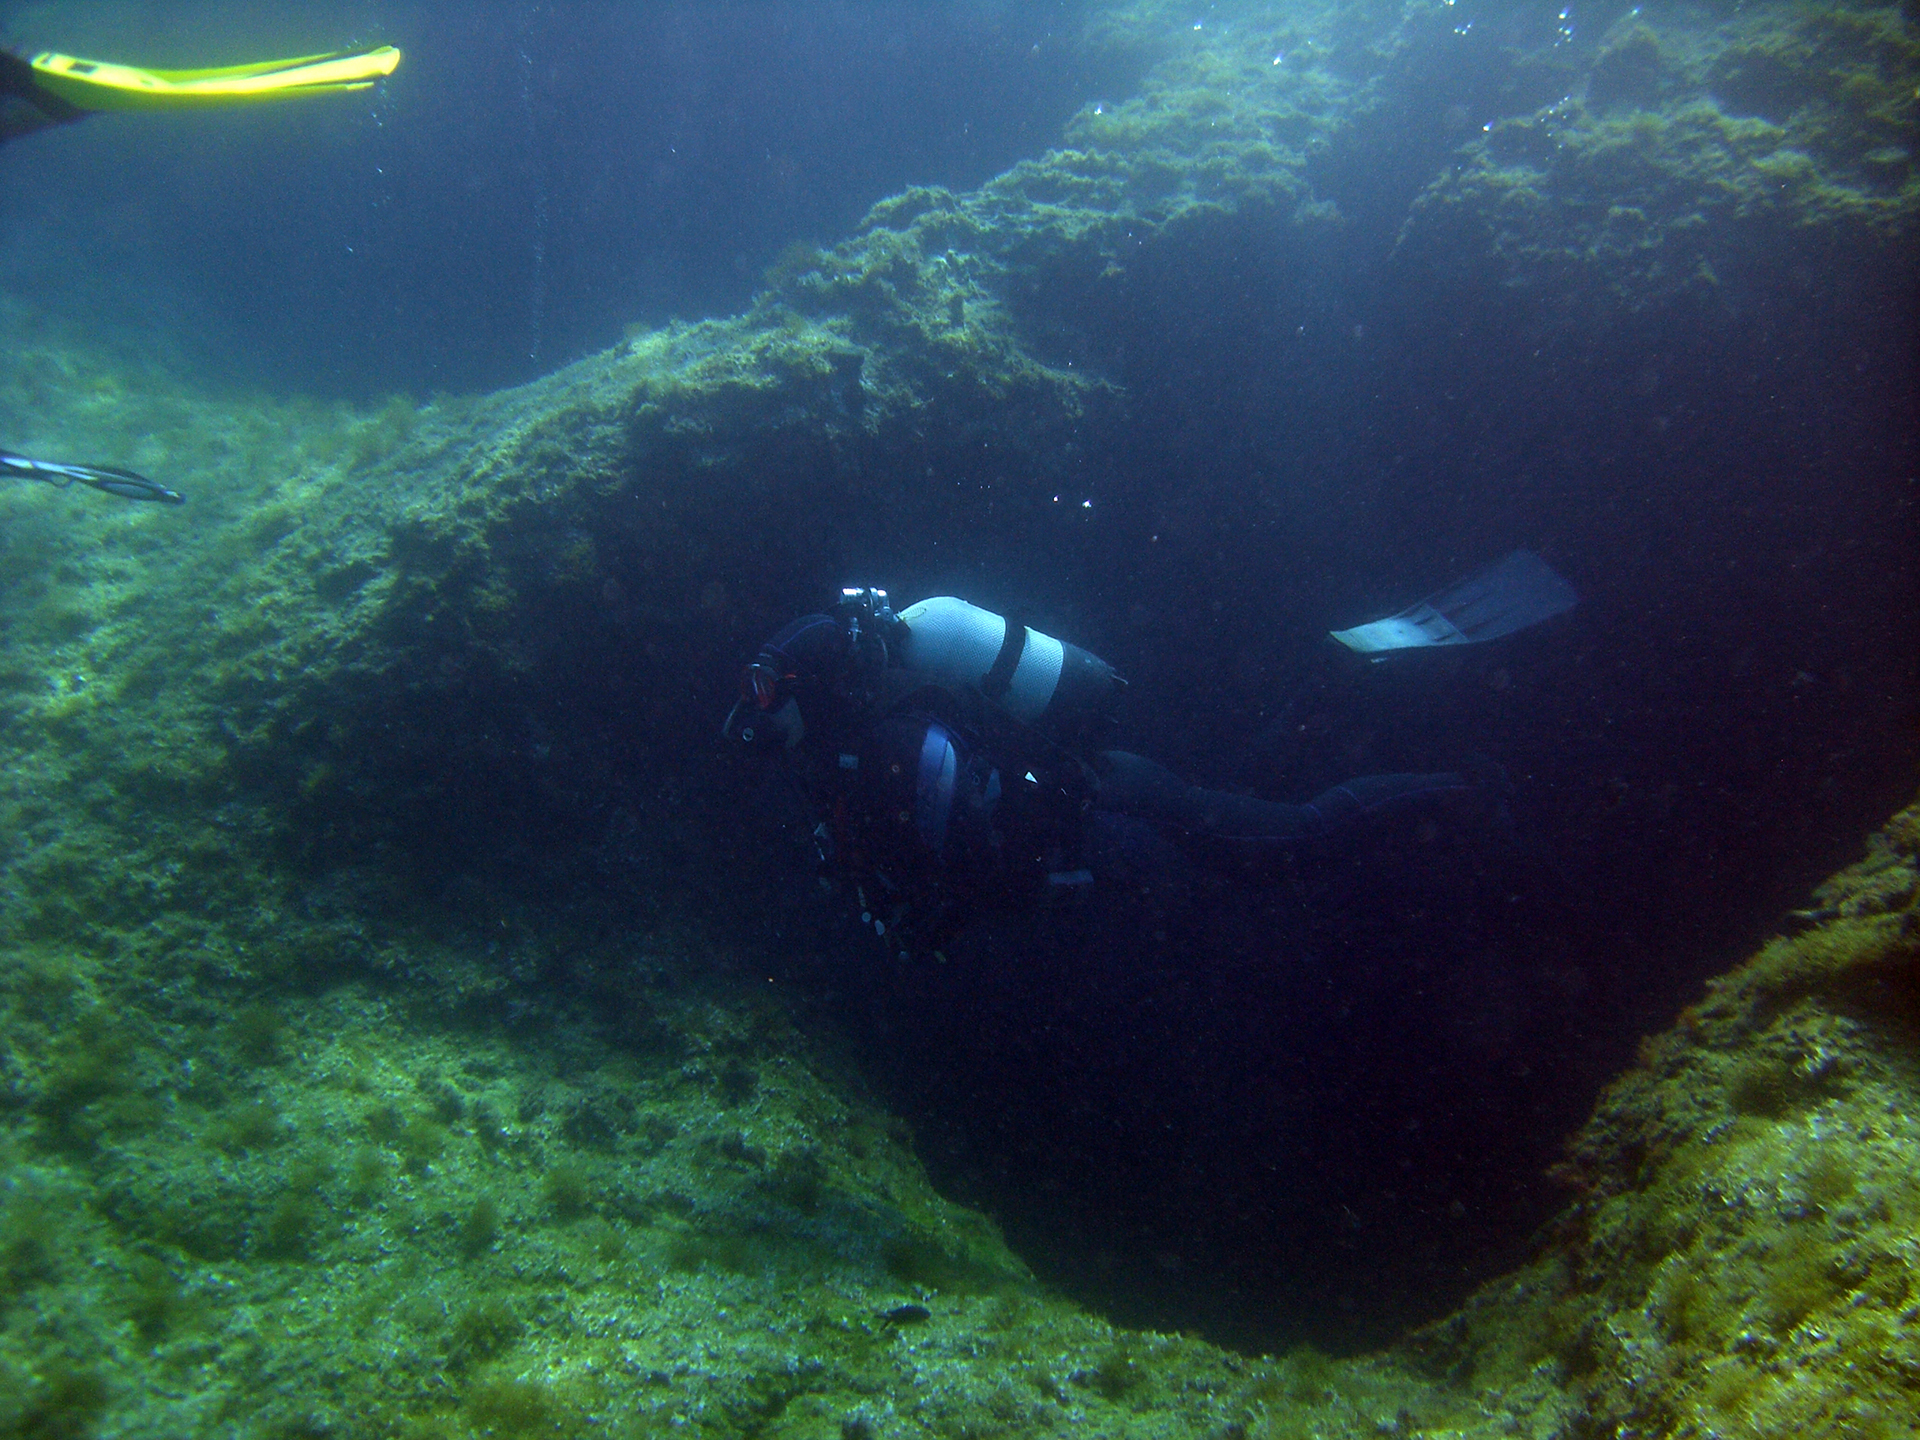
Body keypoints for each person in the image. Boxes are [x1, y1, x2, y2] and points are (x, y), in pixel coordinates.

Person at [725, 588, 1482, 960]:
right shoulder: (863, 751)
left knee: (1285, 845)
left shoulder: (887, 754)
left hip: (1106, 814)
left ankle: (1466, 788)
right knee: (1238, 799)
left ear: (817, 696)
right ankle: (1329, 685)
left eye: (773, 703)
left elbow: (985, 851)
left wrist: (947, 912)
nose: (765, 730)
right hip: (1107, 797)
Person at [2, 41, 400, 146]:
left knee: (26, 103)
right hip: (45, 95)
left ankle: (34, 86)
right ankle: (37, 88)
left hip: (43, 94)